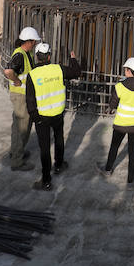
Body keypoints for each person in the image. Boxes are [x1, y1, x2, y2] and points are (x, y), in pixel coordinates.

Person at [25, 41, 81, 191]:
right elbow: (76, 72)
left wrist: (35, 117)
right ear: (49, 56)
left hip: (41, 117)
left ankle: (46, 180)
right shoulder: (58, 69)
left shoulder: (32, 74)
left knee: (44, 148)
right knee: (59, 138)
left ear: (37, 57)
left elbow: (29, 100)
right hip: (57, 113)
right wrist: (73, 59)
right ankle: (59, 165)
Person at [96, 56, 134, 188]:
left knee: (114, 146)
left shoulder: (120, 86)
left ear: (129, 71)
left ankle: (108, 170)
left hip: (121, 124)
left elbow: (113, 104)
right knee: (133, 151)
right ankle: (130, 180)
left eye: (126, 69)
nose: (124, 71)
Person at [4, 25, 38, 172]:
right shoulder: (19, 55)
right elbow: (8, 71)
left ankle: (15, 152)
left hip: (22, 96)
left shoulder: (27, 54)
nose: (35, 44)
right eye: (34, 42)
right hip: (21, 96)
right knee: (22, 129)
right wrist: (16, 81)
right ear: (28, 41)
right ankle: (17, 161)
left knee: (17, 126)